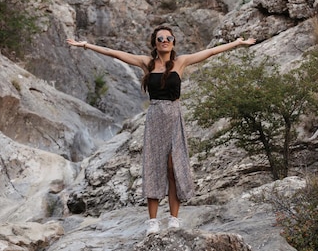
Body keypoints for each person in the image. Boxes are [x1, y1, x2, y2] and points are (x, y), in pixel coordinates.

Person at [67, 25, 256, 235]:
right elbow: (114, 53)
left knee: (173, 168)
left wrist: (238, 44)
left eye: (168, 38)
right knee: (154, 168)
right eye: (160, 38)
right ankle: (153, 221)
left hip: (175, 117)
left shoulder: (181, 62)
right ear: (155, 43)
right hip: (155, 118)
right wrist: (84, 45)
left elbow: (210, 52)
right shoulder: (146, 63)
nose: (164, 40)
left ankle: (174, 218)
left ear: (173, 42)